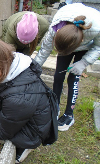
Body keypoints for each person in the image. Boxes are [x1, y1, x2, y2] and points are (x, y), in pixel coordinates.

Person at [34, 3, 100, 131]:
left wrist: (84, 62)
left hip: (85, 46)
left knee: (73, 78)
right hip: (68, 39)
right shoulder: (54, 29)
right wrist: (33, 69)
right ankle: (55, 107)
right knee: (58, 75)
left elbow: (98, 46)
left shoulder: (96, 27)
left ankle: (69, 114)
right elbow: (44, 52)